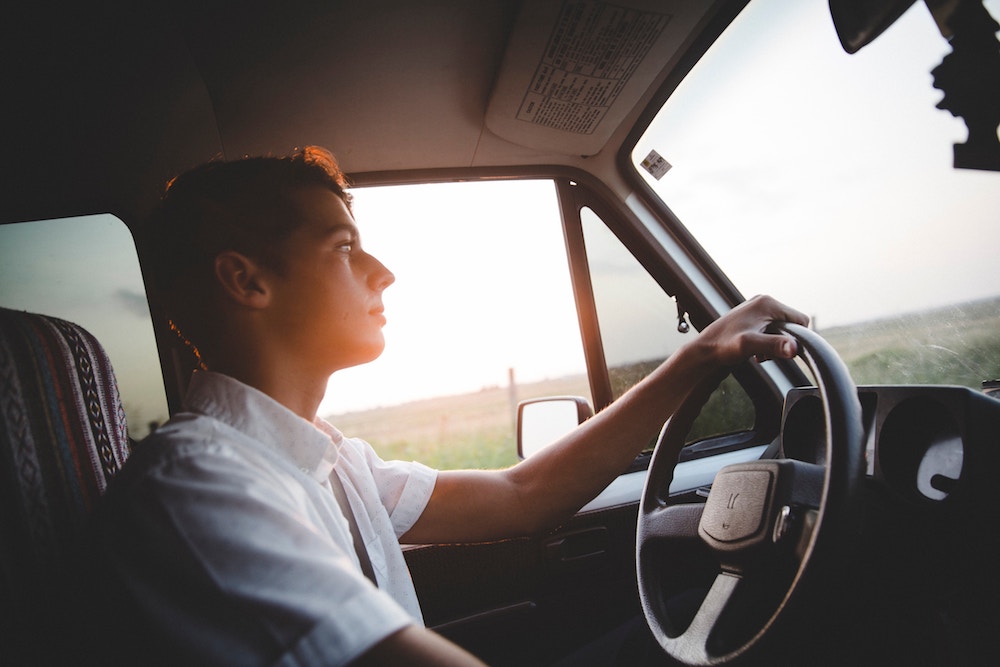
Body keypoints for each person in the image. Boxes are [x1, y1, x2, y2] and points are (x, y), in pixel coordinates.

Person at [86, 146, 808, 666]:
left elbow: (522, 494)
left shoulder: (328, 458)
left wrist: (697, 357)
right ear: (246, 280)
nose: (384, 271)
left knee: (693, 621)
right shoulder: (197, 485)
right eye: (343, 247)